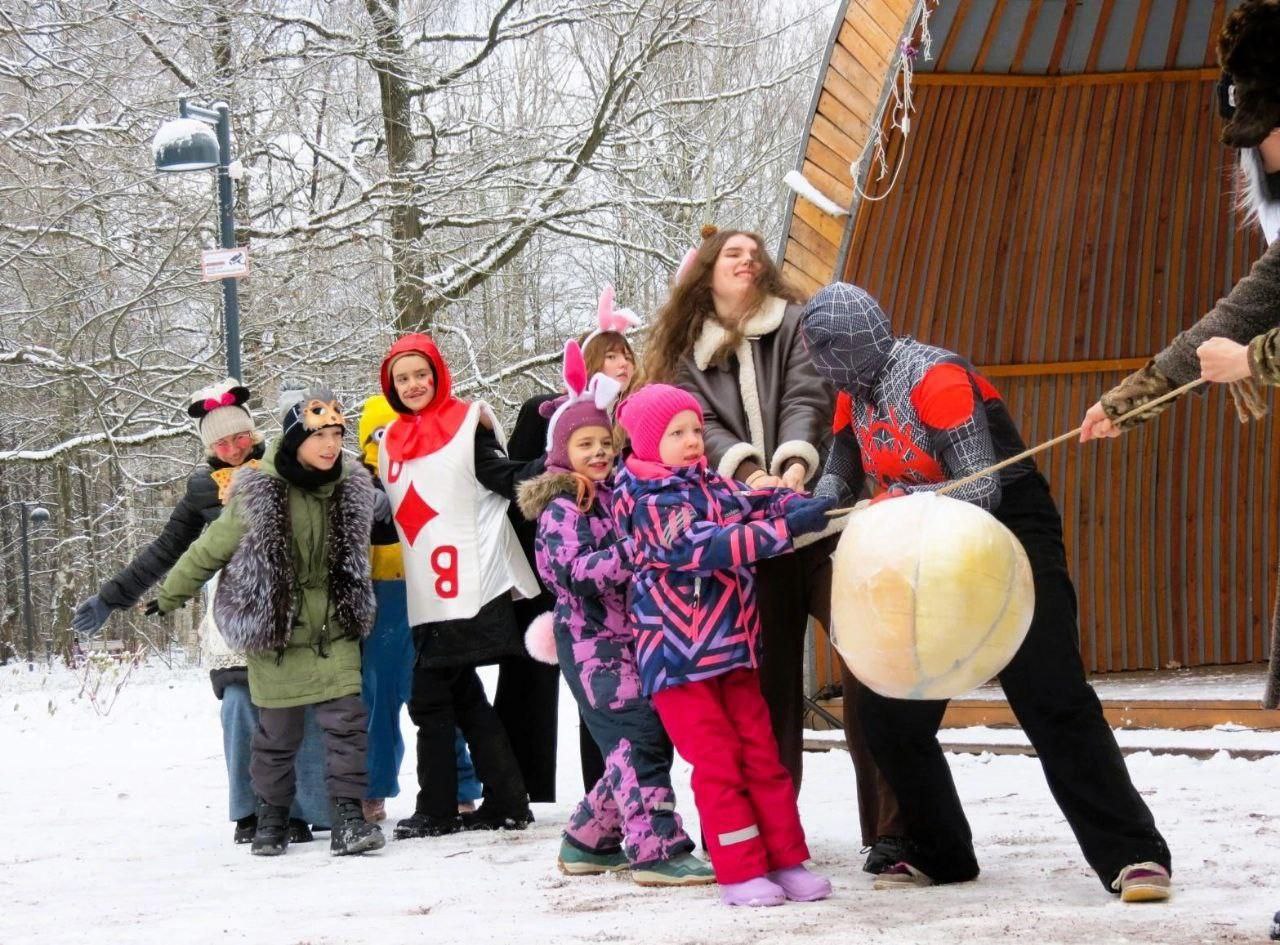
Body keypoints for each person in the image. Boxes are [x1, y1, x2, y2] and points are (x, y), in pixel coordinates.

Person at [802, 283, 1172, 901]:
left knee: (1051, 695)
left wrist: (896, 501)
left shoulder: (936, 377)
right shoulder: (853, 393)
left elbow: (980, 488)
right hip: (918, 540)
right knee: (892, 708)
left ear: (852, 343)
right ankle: (940, 850)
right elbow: (840, 470)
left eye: (825, 350)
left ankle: (1132, 853)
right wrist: (804, 510)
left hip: (1005, 530)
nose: (820, 363)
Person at [644, 225, 903, 871]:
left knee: (871, 661)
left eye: (753, 250)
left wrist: (790, 465)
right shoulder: (682, 350)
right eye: (731, 252)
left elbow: (809, 394)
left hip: (818, 523)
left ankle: (899, 832)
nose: (747, 257)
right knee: (765, 694)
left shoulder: (794, 324)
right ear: (705, 272)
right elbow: (691, 425)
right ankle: (765, 834)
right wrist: (743, 473)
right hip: (743, 543)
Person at [71, 379, 329, 845]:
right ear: (209, 447)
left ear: (254, 434)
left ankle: (300, 808)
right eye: (222, 441)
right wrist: (112, 597)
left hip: (295, 608)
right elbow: (166, 551)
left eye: (241, 436)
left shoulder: (287, 465)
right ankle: (250, 809)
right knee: (240, 705)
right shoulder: (200, 492)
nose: (234, 447)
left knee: (300, 706)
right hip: (236, 612)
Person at [611, 382, 835, 907]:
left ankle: (785, 860)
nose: (692, 441)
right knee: (718, 763)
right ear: (647, 442)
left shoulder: (709, 484)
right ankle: (738, 870)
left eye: (694, 430)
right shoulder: (648, 502)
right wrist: (784, 531)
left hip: (732, 651)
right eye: (676, 433)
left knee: (763, 756)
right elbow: (705, 546)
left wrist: (794, 501)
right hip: (678, 662)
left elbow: (753, 500)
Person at [151, 387, 386, 857]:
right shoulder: (259, 491)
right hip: (276, 629)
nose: (330, 445)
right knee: (277, 736)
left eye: (337, 435)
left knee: (346, 724)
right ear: (296, 440)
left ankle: (346, 819)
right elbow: (209, 548)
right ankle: (272, 819)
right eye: (319, 435)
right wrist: (169, 593)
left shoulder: (353, 488)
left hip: (333, 627)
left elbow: (392, 524)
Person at [517, 343, 713, 886]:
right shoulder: (562, 506)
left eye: (605, 443)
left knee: (645, 737)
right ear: (563, 451)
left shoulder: (613, 496)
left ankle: (588, 842)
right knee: (637, 739)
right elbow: (574, 574)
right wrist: (638, 550)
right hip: (591, 644)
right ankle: (658, 850)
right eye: (585, 444)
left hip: (635, 639)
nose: (599, 453)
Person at [378, 334, 541, 838]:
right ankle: (507, 800)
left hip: (467, 581)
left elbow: (503, 478)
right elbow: (395, 517)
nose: (412, 385)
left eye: (420, 374)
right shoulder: (389, 442)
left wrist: (558, 468)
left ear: (437, 374)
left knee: (430, 699)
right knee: (463, 696)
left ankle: (439, 808)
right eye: (401, 378)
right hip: (427, 590)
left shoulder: (469, 425)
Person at [503, 286, 643, 796]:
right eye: (609, 354)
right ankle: (592, 805)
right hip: (577, 591)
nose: (621, 363)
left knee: (634, 719)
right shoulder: (552, 417)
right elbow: (520, 481)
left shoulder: (643, 416)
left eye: (626, 353)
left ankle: (613, 802)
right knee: (599, 706)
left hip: (631, 596)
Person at [355, 395, 484, 823]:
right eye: (376, 434)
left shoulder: (429, 470)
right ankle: (372, 789)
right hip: (378, 600)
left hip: (426, 593)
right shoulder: (356, 483)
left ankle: (462, 783)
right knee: (375, 704)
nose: (385, 441)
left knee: (437, 698)